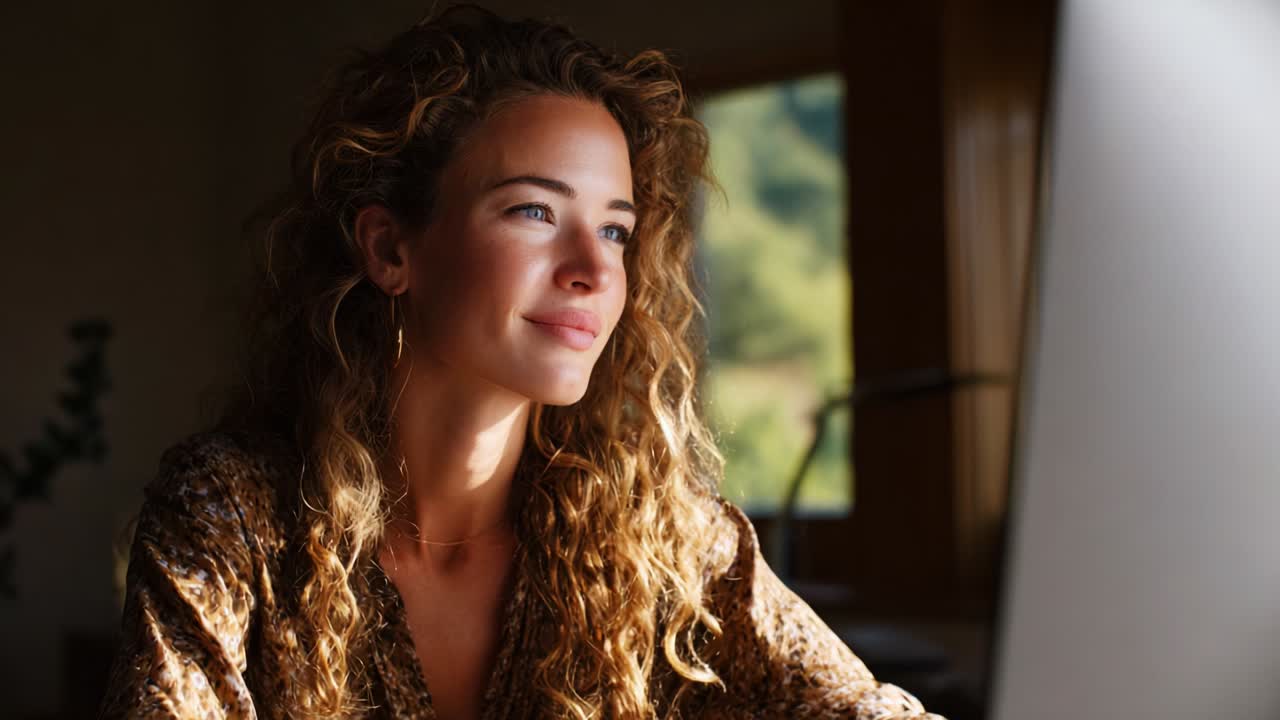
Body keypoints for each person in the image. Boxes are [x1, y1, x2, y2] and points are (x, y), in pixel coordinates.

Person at [98, 6, 944, 719]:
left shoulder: (660, 538)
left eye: (615, 229)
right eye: (535, 211)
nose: (594, 269)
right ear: (390, 249)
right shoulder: (233, 519)